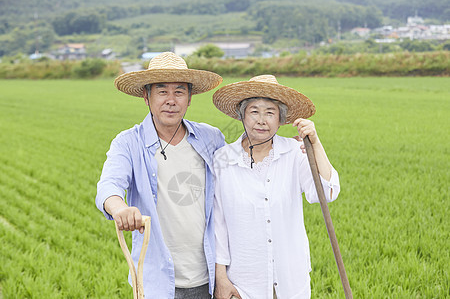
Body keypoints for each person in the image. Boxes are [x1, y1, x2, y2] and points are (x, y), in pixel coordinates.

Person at [95, 52, 225, 298]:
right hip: (155, 281)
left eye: (179, 91)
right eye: (162, 91)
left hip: (207, 277)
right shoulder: (128, 143)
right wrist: (120, 209)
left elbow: (240, 173)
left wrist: (288, 148)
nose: (171, 100)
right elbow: (109, 186)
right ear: (147, 96)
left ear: (189, 98)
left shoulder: (212, 138)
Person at [212, 75, 341, 299]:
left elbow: (327, 192)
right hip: (243, 283)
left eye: (270, 112)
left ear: (280, 119)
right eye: (254, 111)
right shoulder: (223, 159)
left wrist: (315, 143)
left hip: (290, 279)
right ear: (242, 115)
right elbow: (218, 225)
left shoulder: (294, 152)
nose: (261, 120)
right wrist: (221, 279)